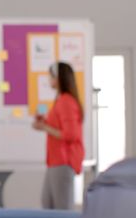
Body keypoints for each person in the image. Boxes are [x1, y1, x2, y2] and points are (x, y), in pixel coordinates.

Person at [32, 61, 84, 210]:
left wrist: (45, 127)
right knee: (47, 204)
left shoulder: (66, 101)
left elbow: (71, 134)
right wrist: (44, 124)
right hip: (55, 161)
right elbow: (58, 127)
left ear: (58, 78)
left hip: (63, 161)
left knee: (62, 209)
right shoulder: (60, 101)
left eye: (51, 76)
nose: (49, 80)